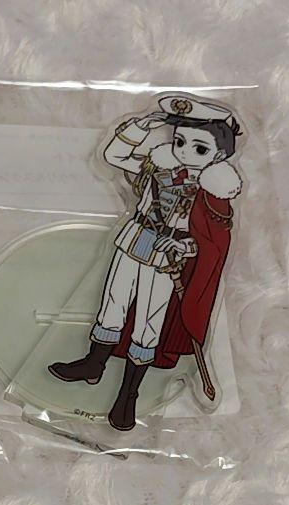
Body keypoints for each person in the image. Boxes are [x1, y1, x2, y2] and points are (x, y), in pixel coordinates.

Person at [49, 95, 243, 430]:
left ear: (218, 155)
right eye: (179, 141)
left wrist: (184, 246)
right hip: (135, 238)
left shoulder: (212, 192)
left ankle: (128, 395)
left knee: (148, 323)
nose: (185, 151)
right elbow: (114, 155)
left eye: (199, 148)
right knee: (112, 305)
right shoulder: (159, 165)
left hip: (167, 257)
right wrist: (143, 125)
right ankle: (94, 364)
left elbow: (213, 241)